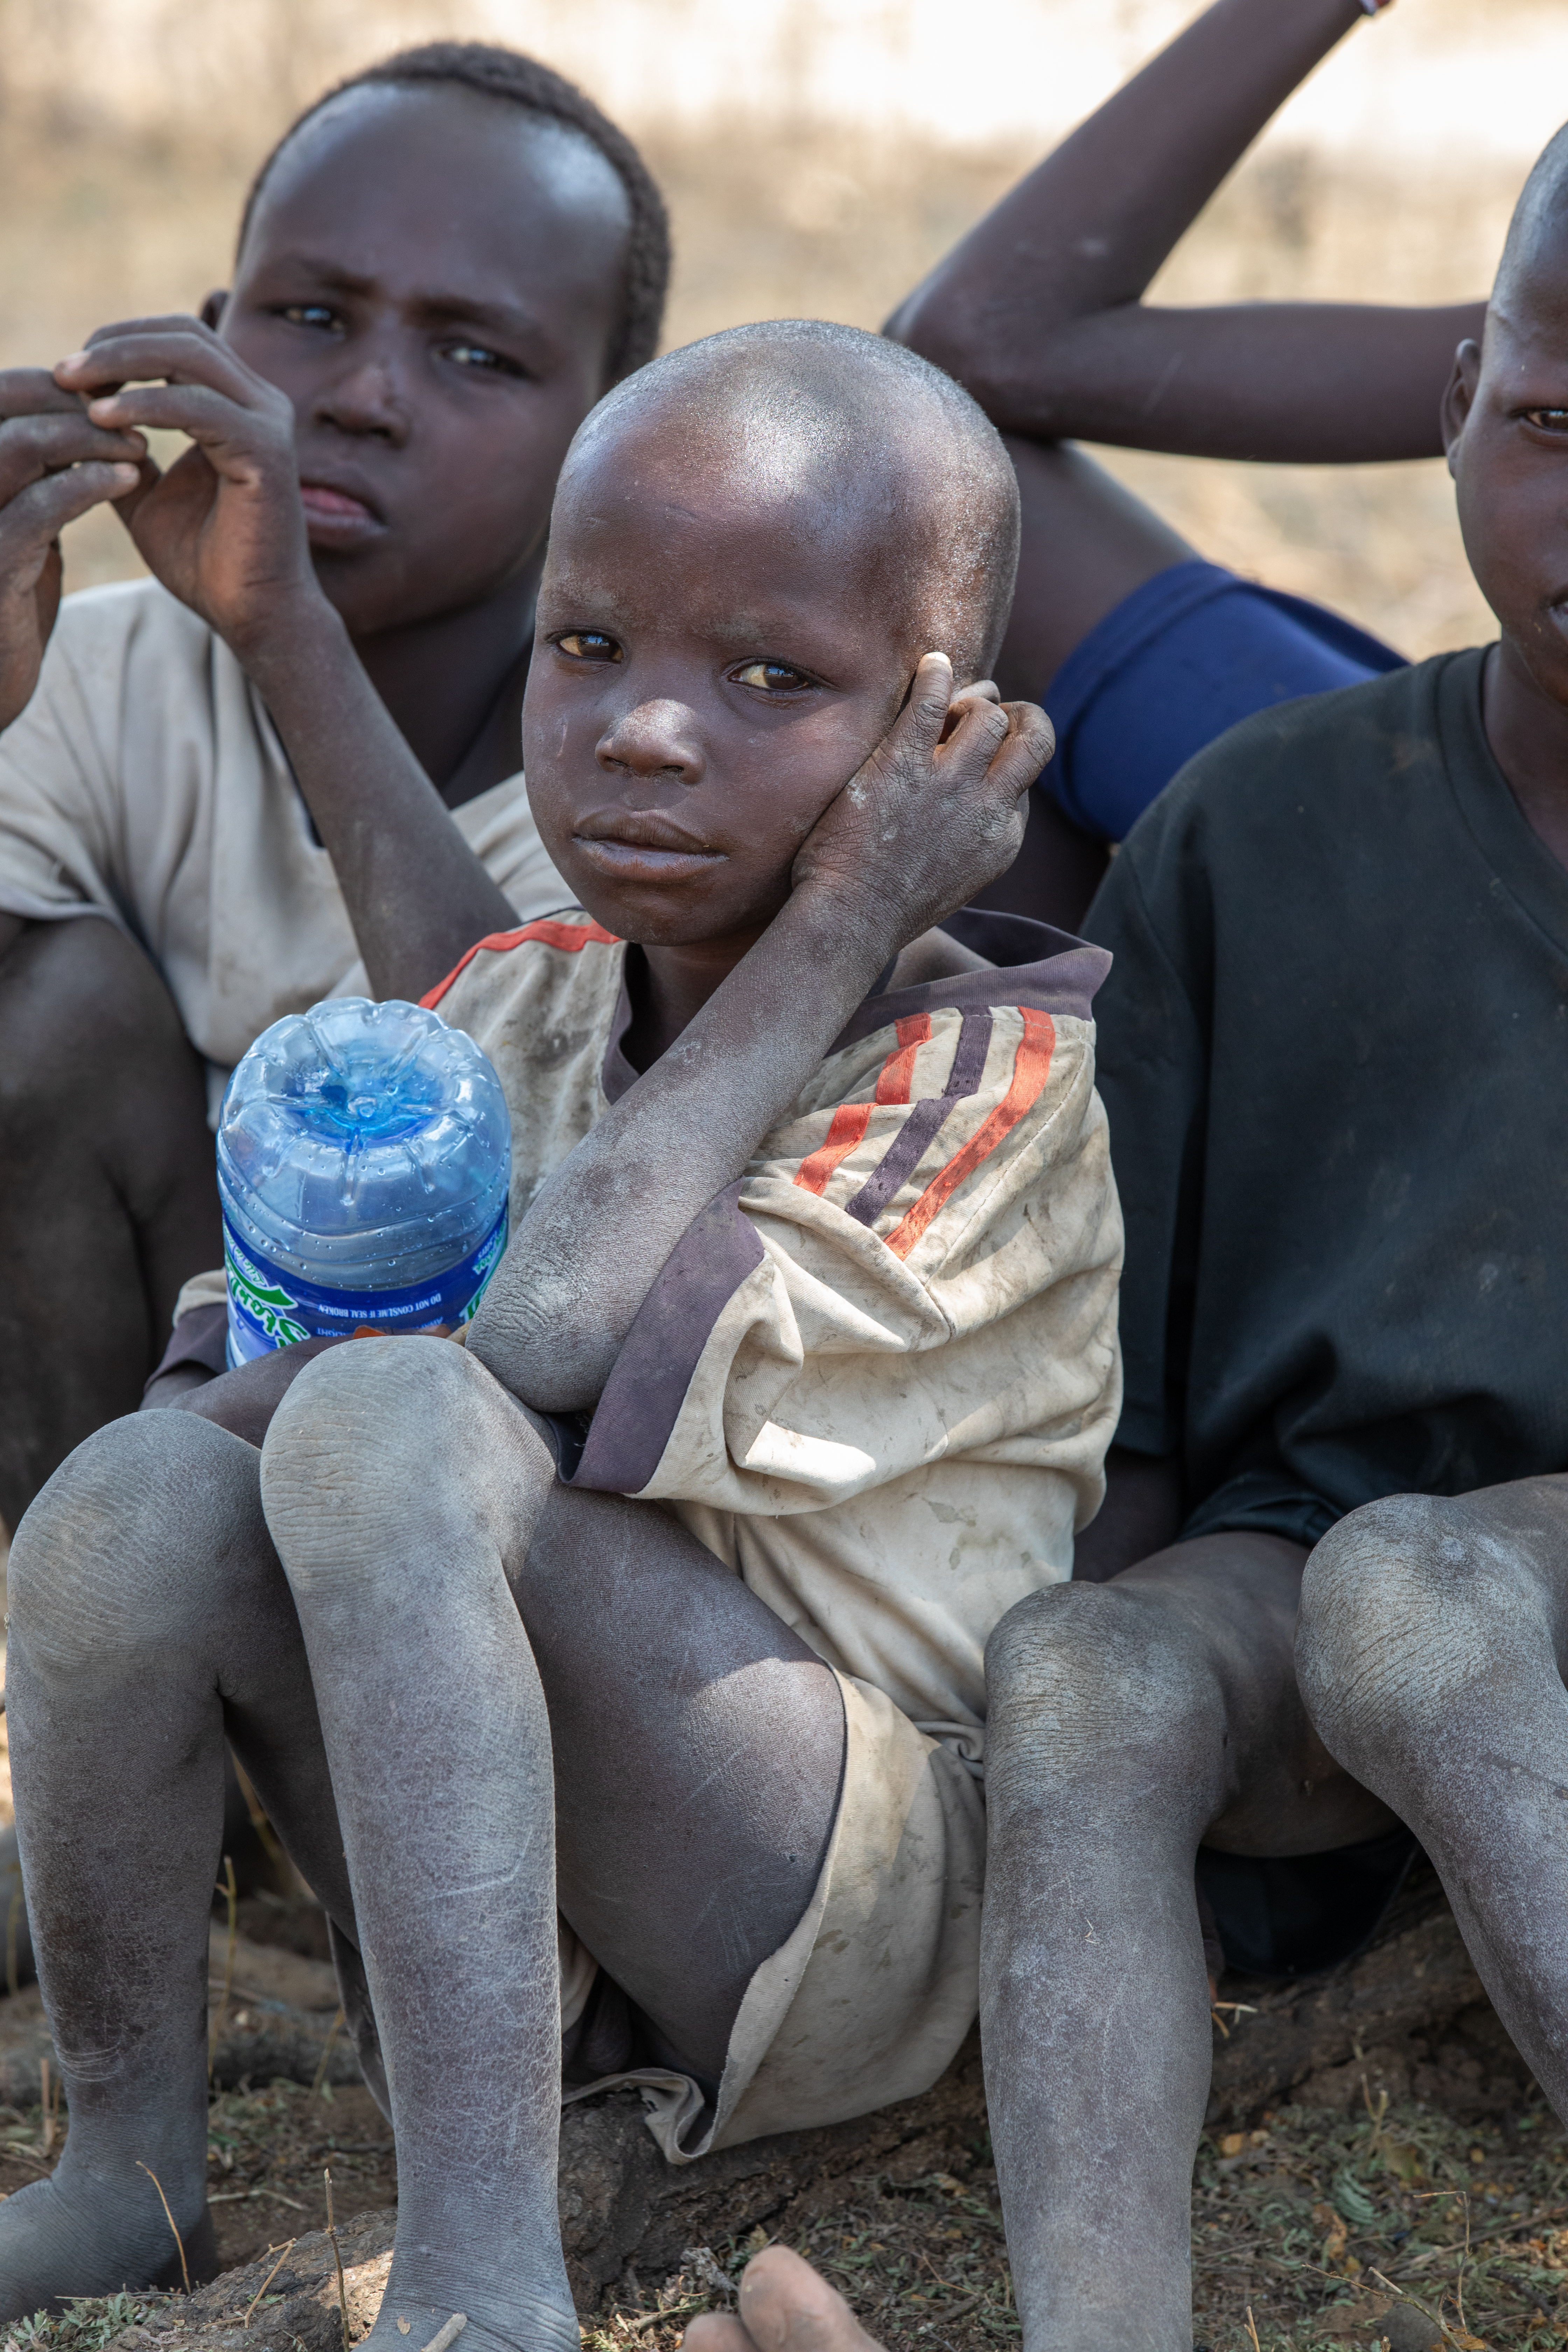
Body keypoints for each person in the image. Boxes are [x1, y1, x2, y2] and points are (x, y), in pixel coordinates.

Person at [0, 324, 1121, 2345]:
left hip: (836, 1901)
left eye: (772, 680)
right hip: (534, 1881)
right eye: (590, 648)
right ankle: (121, 2161)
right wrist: (215, 1433)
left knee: (392, 1426)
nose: (648, 735)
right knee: (131, 1499)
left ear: (945, 743)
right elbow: (231, 1374)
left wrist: (848, 919)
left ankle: (483, 2266)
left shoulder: (980, 1067)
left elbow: (541, 1342)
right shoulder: (520, 998)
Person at [936, 104, 1568, 2352]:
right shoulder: (1263, 827)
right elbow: (1129, 1402)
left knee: (1422, 1591)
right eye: (1558, 418)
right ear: (1456, 403)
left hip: (1497, 1589)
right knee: (1088, 1678)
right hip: (1334, 1577)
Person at [0, 42, 668, 1531]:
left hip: (483, 1511)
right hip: (145, 1453)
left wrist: (291, 636)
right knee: (47, 1016)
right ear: (217, 328)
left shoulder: (661, 776)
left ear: (609, 433)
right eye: (308, 318)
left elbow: (551, 1145)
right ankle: (84, 1643)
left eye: (476, 355)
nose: (365, 396)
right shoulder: (96, 674)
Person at [890, 0, 1488, 931]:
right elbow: (978, 354)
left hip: (1496, 892)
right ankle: (1055, 1064)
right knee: (947, 501)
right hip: (1483, 816)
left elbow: (986, 334)